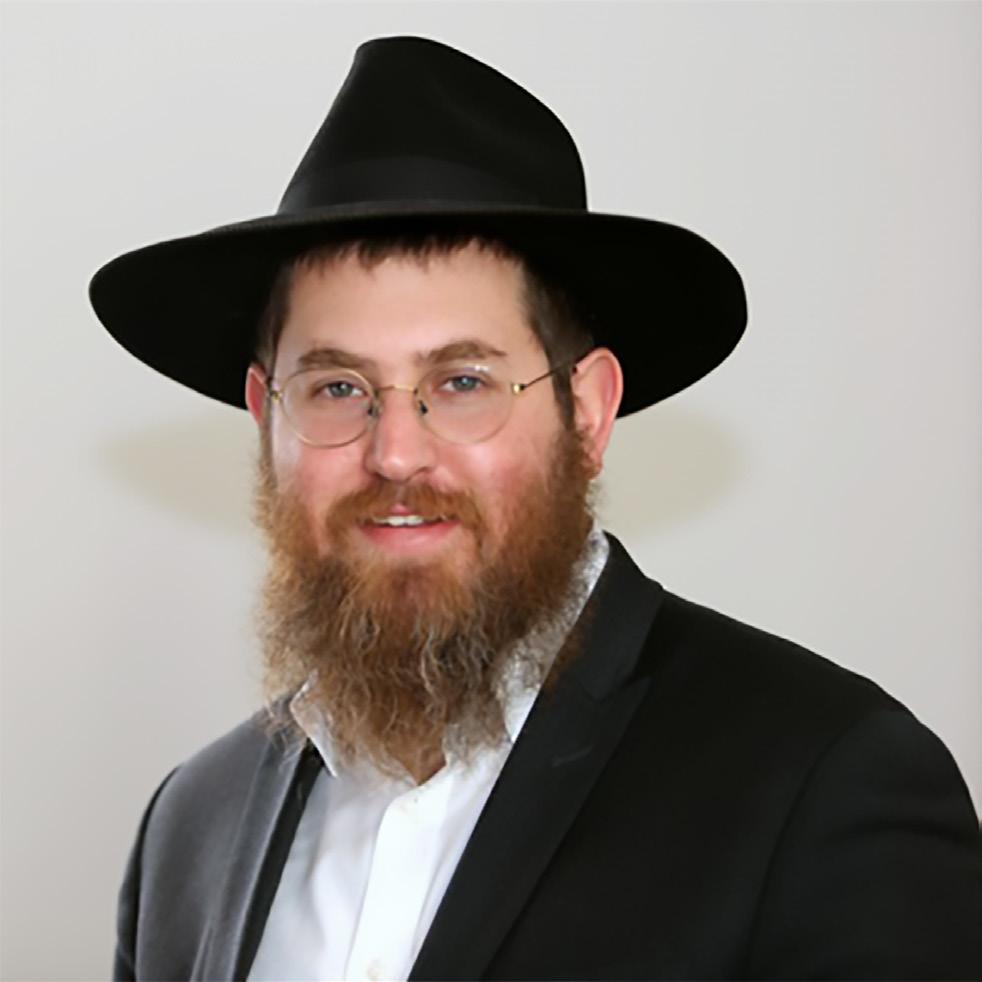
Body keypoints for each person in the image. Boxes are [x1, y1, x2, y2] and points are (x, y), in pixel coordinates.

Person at [90, 35, 982, 981]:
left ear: (586, 411)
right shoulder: (189, 831)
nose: (395, 454)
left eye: (463, 382)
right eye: (338, 388)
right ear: (265, 415)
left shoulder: (819, 787)